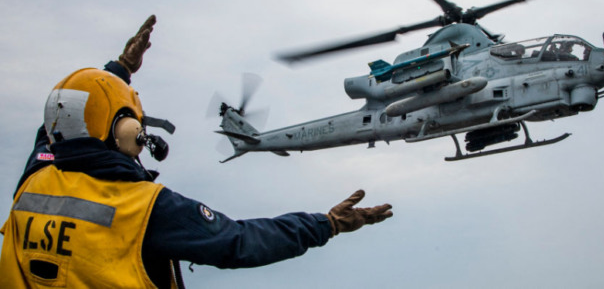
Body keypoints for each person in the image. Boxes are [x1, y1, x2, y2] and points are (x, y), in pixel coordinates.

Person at [0, 16, 393, 288]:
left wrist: (119, 69)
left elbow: (65, 123)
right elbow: (240, 242)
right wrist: (327, 223)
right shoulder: (144, 209)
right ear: (127, 129)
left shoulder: (34, 184)